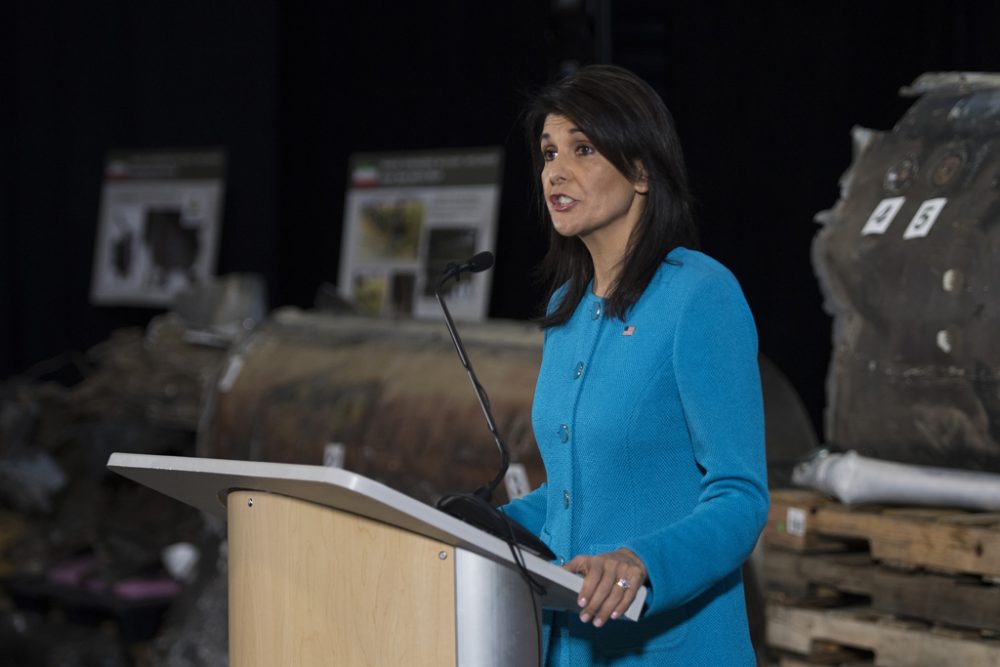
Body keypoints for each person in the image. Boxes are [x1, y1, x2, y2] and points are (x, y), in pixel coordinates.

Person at [501, 64, 769, 665]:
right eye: (548, 153)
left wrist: (643, 562)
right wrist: (478, 525)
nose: (555, 173)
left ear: (642, 170)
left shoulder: (701, 295)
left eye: (583, 149)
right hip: (567, 646)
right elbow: (575, 493)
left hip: (668, 649)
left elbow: (740, 495)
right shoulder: (564, 312)